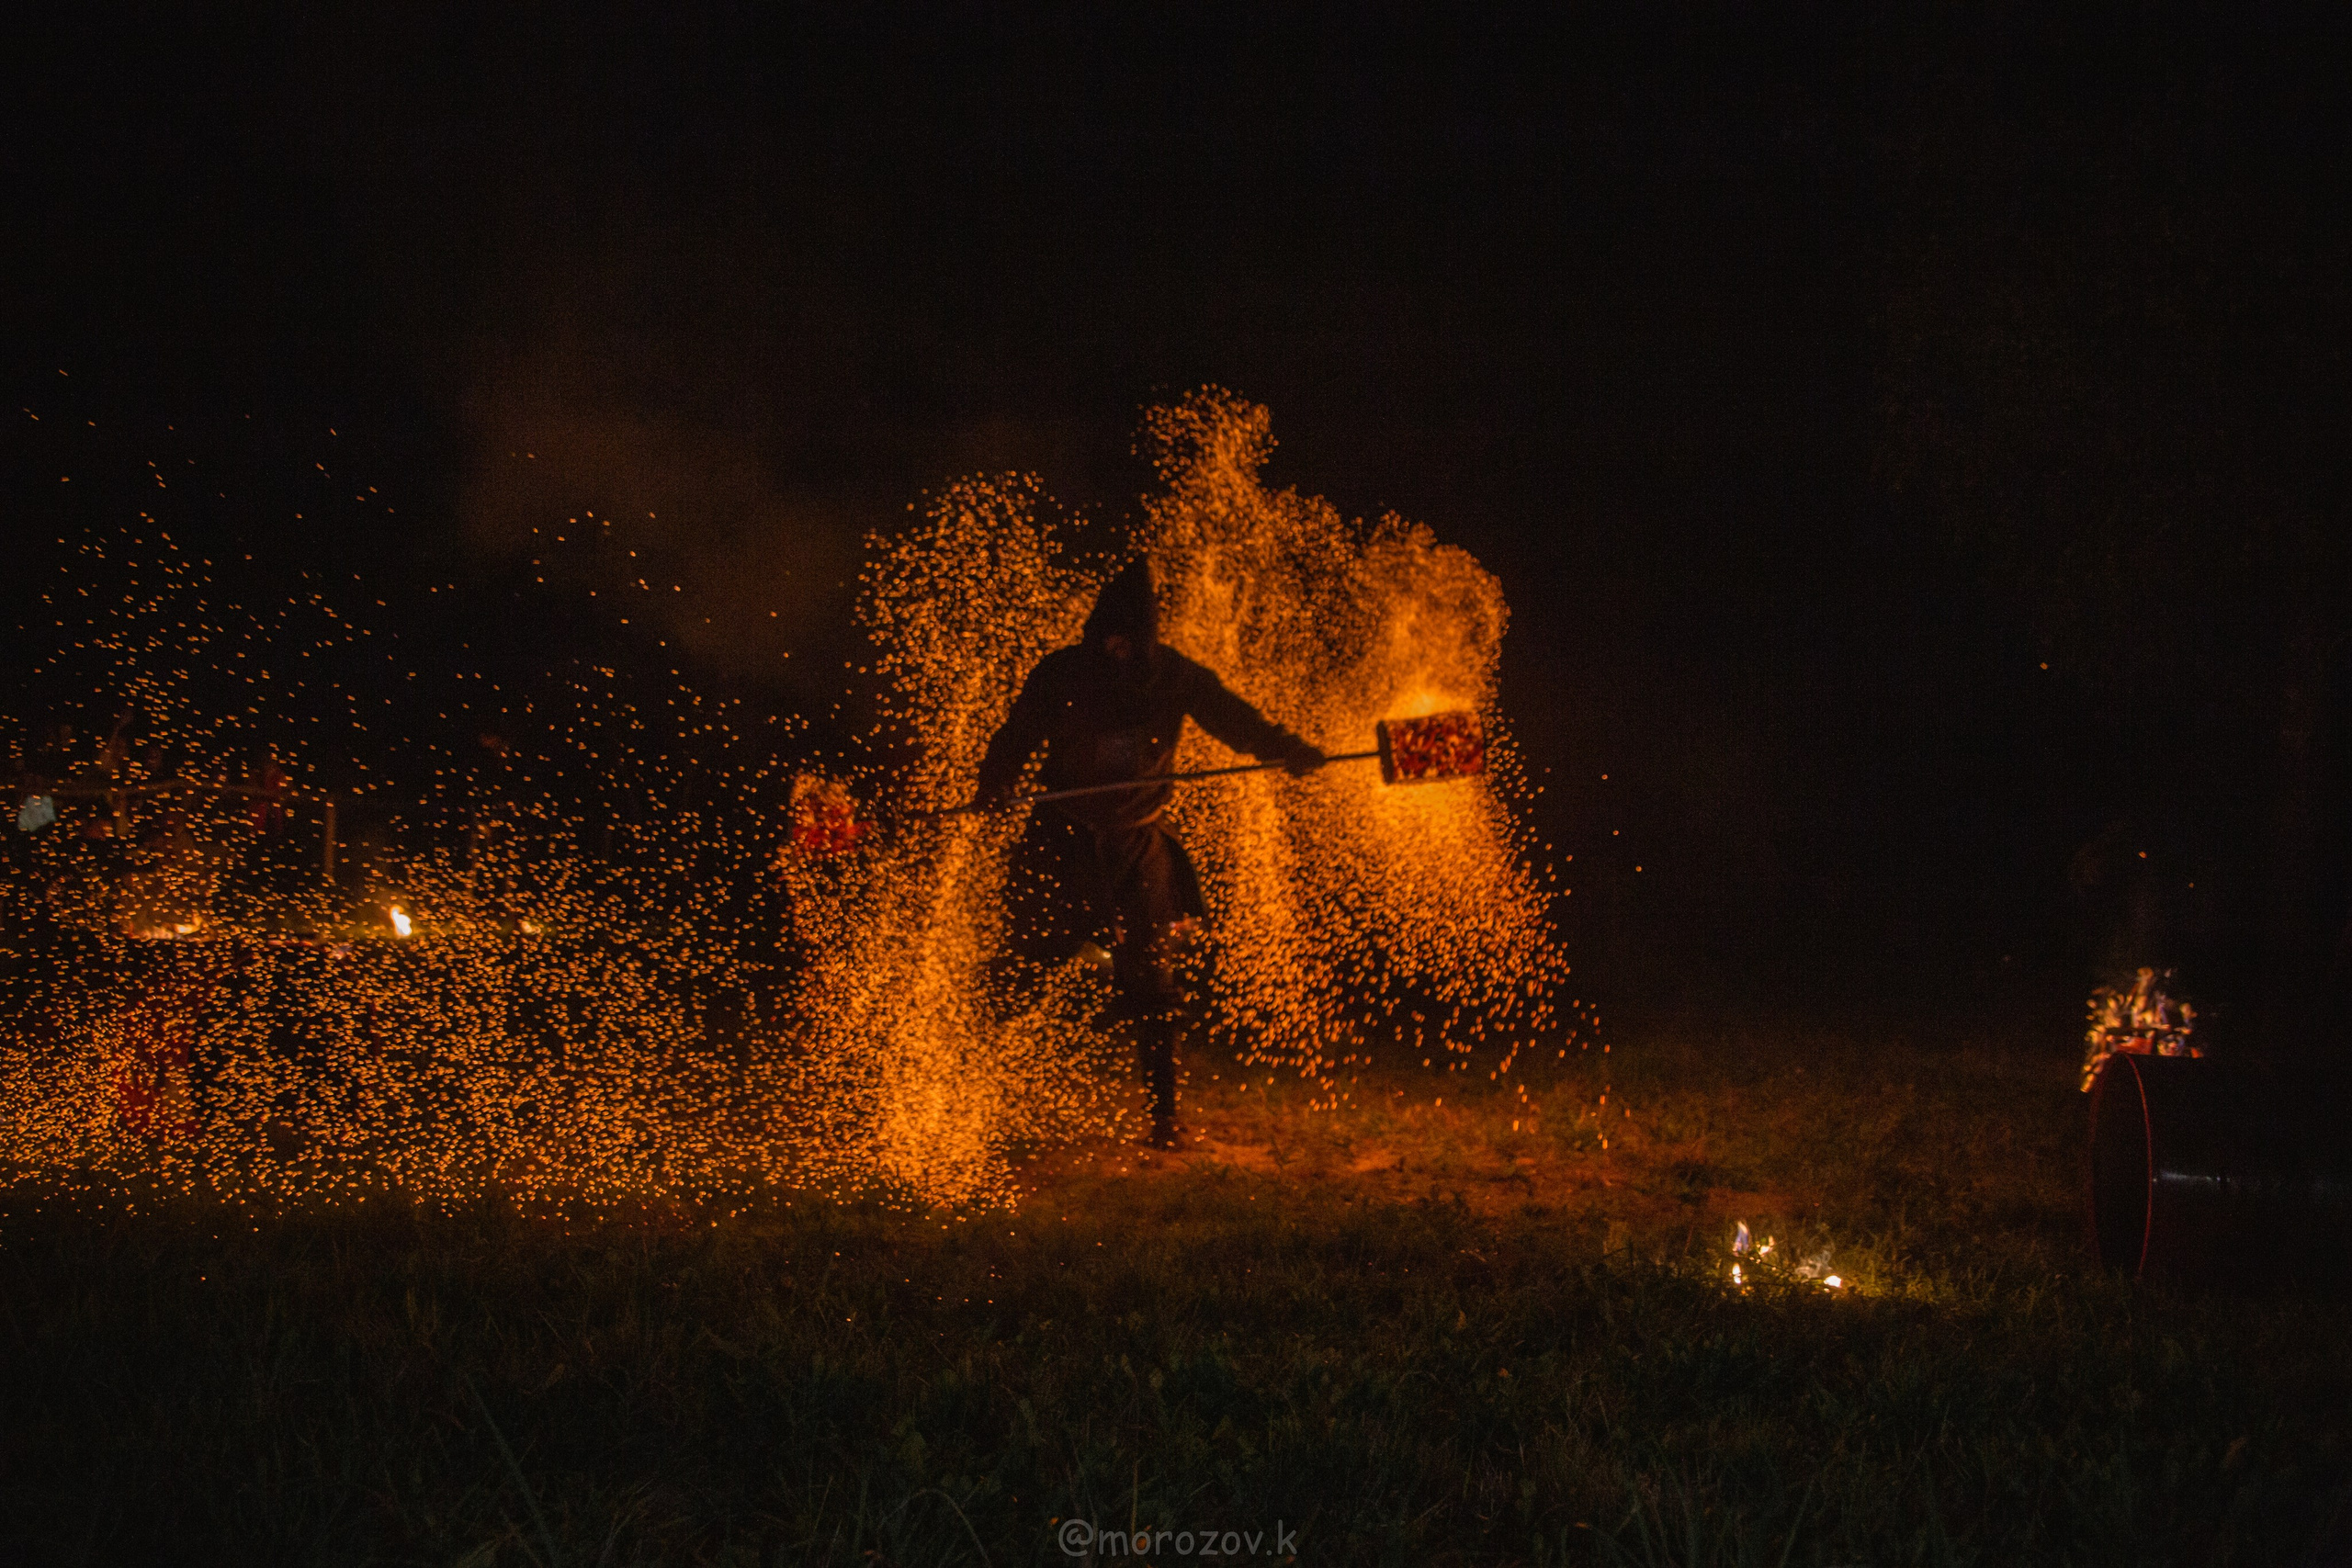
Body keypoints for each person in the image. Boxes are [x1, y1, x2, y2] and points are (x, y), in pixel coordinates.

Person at [976, 558, 1323, 1148]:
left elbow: (1235, 721)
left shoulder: (1175, 678)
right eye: (1109, 642)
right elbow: (1015, 735)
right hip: (1062, 838)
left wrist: (1285, 748)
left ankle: (1165, 1119)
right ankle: (960, 1083)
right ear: (1096, 635)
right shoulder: (1061, 673)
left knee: (1154, 979)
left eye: (1130, 644)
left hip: (1138, 845)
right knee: (1025, 966)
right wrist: (996, 782)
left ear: (1146, 641)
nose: (1119, 654)